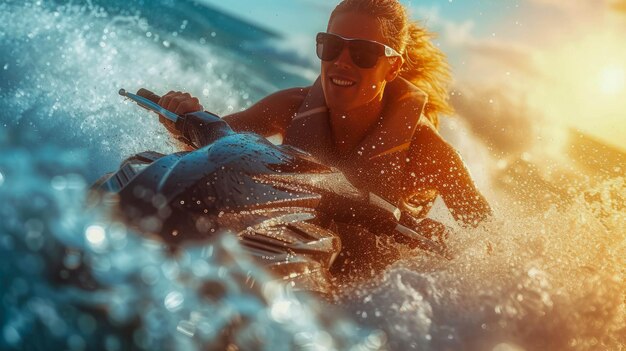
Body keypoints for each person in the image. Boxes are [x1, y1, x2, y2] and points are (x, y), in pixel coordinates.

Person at [157, 0, 491, 276]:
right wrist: (179, 120)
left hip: (373, 292)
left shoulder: (427, 152)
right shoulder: (289, 107)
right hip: (295, 254)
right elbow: (206, 152)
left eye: (363, 54)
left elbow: (489, 247)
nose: (341, 62)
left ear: (392, 68)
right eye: (331, 47)